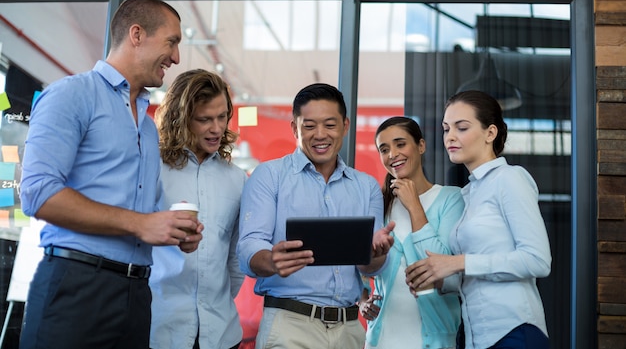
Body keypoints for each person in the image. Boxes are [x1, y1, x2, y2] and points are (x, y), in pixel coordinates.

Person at [19, 0, 203, 349]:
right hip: (76, 287)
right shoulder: (71, 95)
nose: (176, 57)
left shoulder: (149, 130)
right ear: (137, 34)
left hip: (136, 296)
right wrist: (141, 224)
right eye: (172, 42)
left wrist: (174, 230)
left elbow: (142, 216)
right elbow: (37, 193)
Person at [236, 83, 394, 349]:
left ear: (345, 126)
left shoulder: (366, 186)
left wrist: (377, 253)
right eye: (309, 126)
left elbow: (369, 267)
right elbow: (248, 248)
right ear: (294, 128)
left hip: (349, 329)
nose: (320, 135)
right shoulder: (269, 176)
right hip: (290, 326)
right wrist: (272, 260)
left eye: (330, 125)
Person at [406, 90, 551, 349]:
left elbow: (537, 260)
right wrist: (437, 277)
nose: (450, 136)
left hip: (515, 330)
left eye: (461, 128)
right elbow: (472, 274)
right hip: (477, 337)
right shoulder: (468, 193)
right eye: (446, 128)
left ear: (490, 133)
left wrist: (457, 262)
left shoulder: (509, 179)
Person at [149, 69, 247, 349]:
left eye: (222, 117)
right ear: (181, 119)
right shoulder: (153, 168)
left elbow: (235, 259)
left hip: (221, 334)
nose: (217, 128)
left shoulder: (237, 179)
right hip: (160, 330)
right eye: (204, 120)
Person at [358, 116, 463, 349]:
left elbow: (443, 267)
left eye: (400, 144)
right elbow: (360, 266)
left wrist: (414, 205)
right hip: (380, 340)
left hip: (434, 341)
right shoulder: (379, 204)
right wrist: (362, 300)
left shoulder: (451, 199)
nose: (392, 154)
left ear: (421, 146)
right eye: (384, 149)